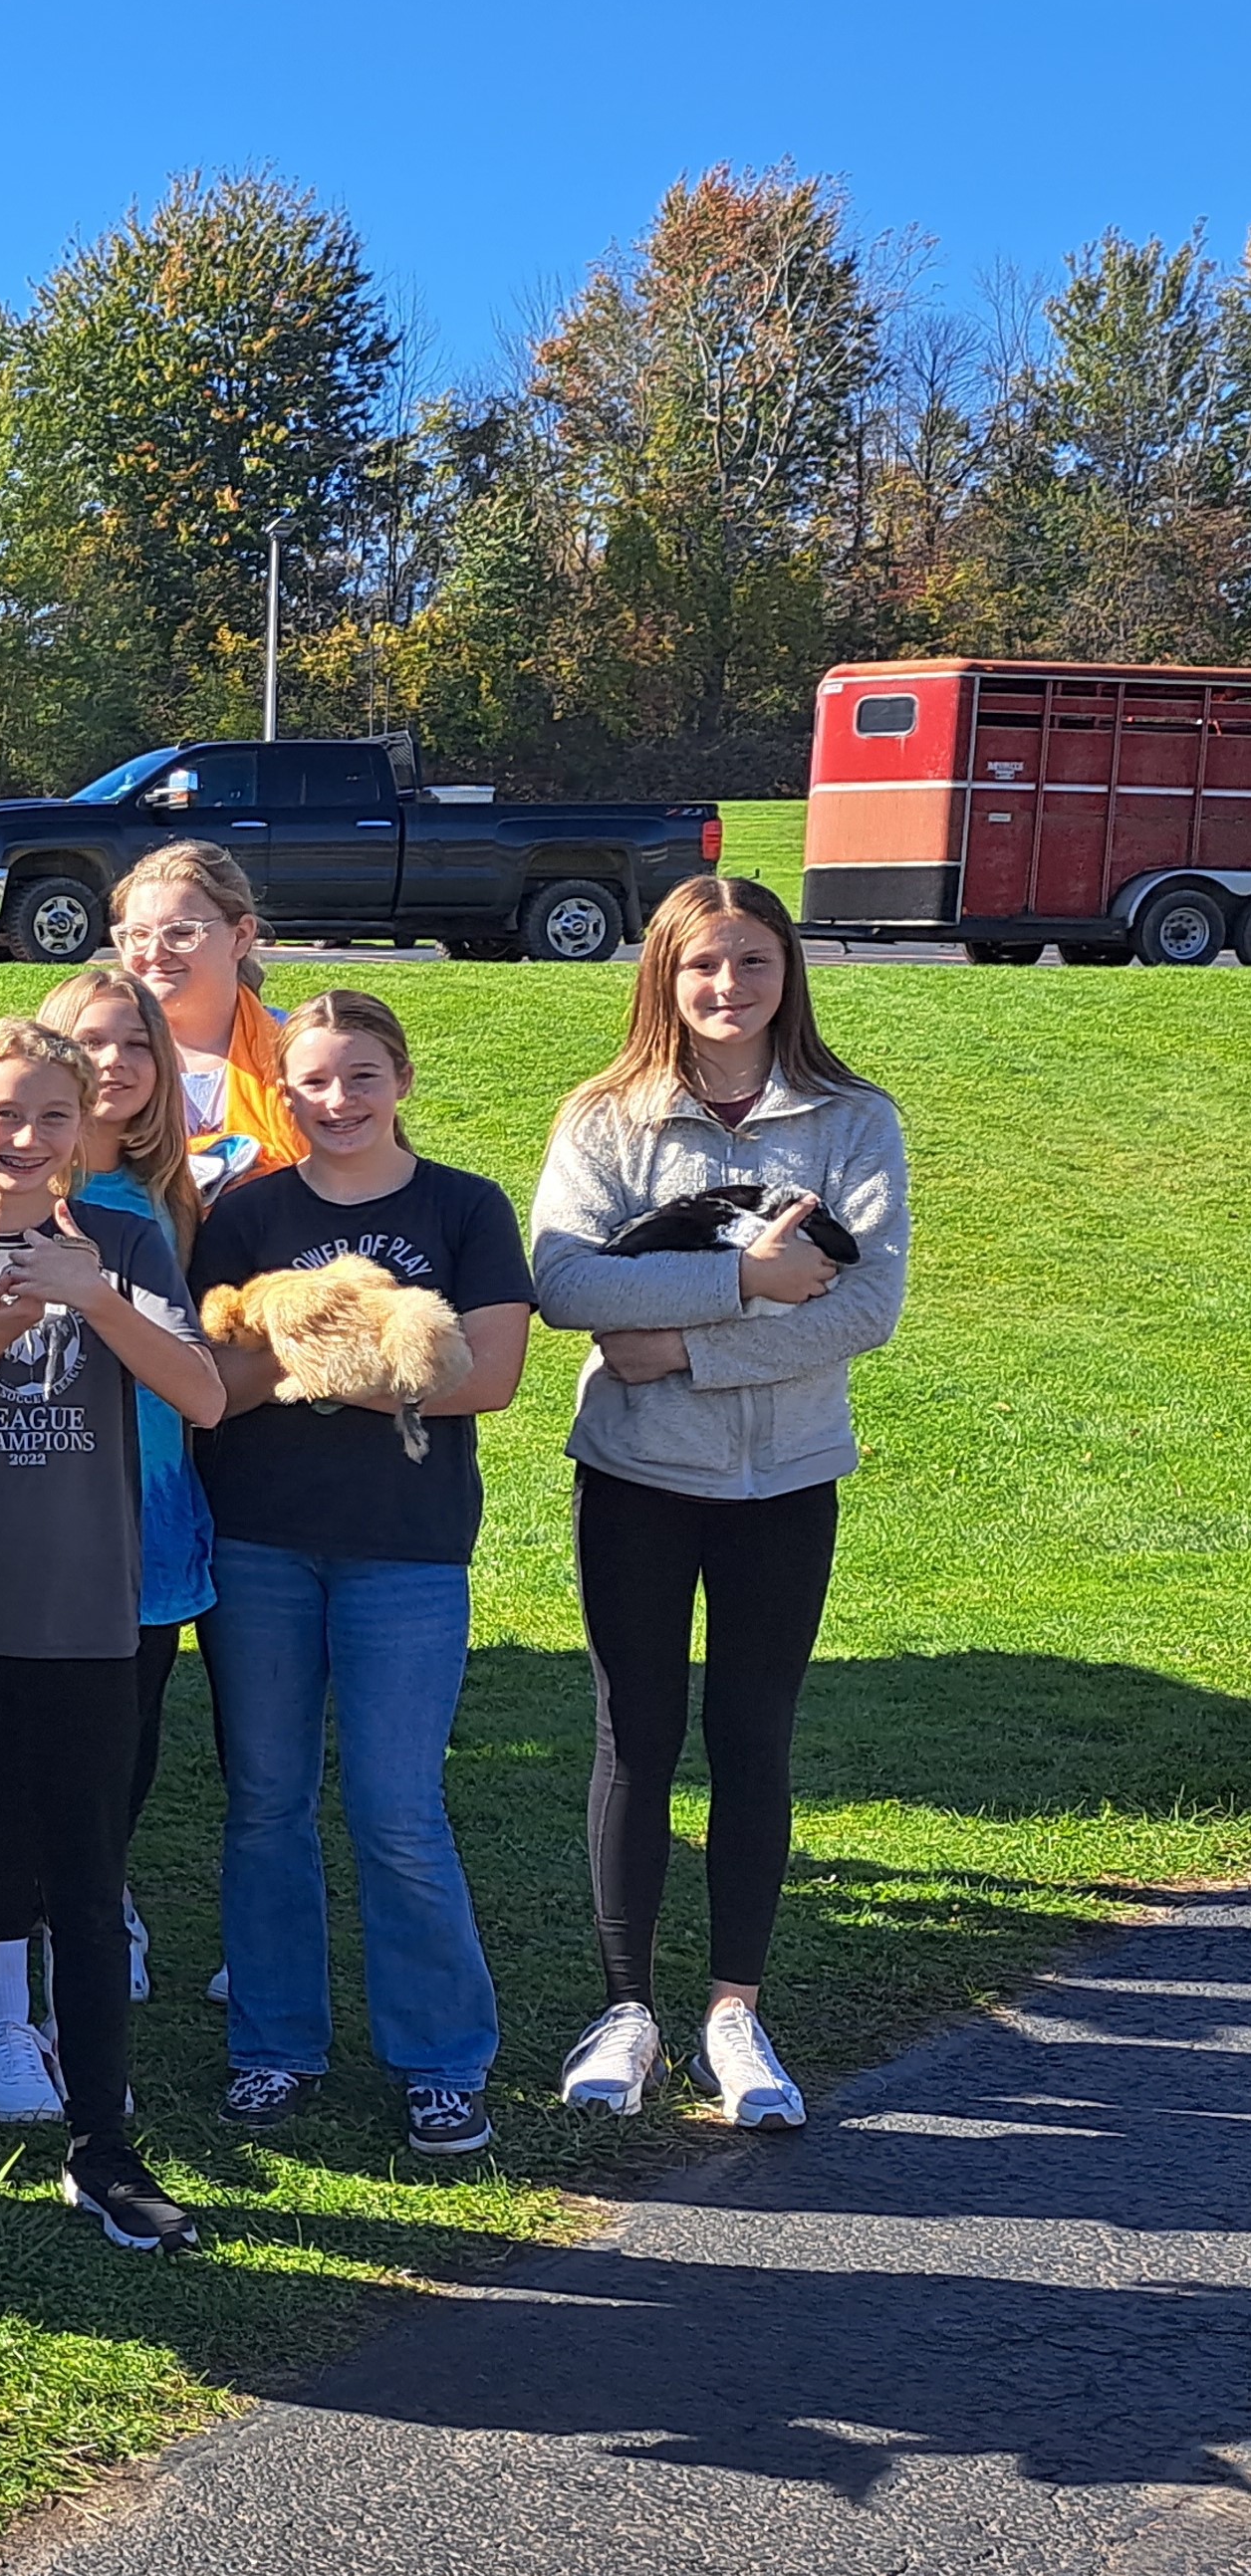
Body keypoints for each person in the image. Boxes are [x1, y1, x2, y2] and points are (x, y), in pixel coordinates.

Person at [531, 877, 910, 2131]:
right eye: (703, 965)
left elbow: (864, 1306)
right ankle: (627, 2011)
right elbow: (567, 1282)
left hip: (785, 1480)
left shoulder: (853, 1122)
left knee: (753, 1738)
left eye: (753, 962)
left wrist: (692, 1341)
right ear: (664, 976)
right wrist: (750, 1276)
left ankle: (733, 2014)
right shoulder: (606, 1116)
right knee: (634, 1736)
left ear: (789, 972)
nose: (728, 988)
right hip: (635, 1474)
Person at [0, 1021, 224, 2255]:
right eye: (3, 1113)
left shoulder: (121, 1241)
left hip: (89, 1628)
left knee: (84, 1887)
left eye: (53, 1118)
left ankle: (104, 2153)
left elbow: (206, 1392)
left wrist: (97, 1299)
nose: (26, 1139)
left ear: (85, 1130)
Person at [191, 992, 534, 2156]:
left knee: (397, 1811)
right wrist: (320, 1349)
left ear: (402, 1080)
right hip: (261, 1539)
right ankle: (275, 2044)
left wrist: (336, 1360)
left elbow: (487, 1376)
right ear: (280, 1092)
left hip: (408, 1547)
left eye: (361, 1078)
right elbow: (215, 1386)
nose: (337, 1102)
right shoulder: (248, 1214)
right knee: (266, 1805)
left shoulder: (463, 1206)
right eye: (314, 1083)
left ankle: (443, 2058)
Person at [111, 839, 306, 1205]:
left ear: (241, 936)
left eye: (182, 933)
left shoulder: (300, 1051)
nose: (153, 953)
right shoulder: (100, 1057)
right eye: (137, 935)